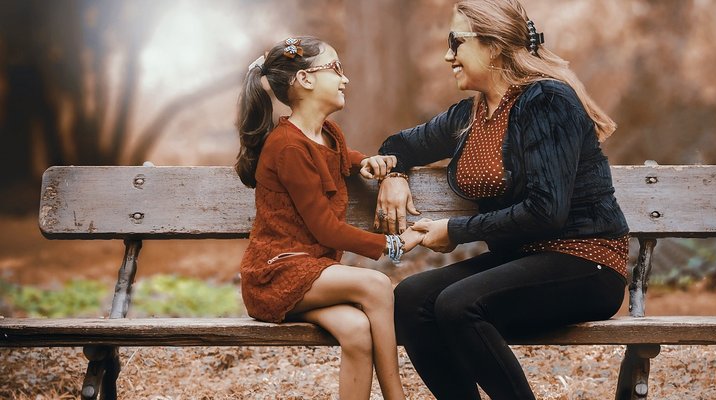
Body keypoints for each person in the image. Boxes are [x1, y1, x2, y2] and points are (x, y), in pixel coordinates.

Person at [374, 1, 630, 399]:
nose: (448, 55)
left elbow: (546, 212)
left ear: (492, 46)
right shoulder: (470, 115)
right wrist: (393, 174)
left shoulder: (547, 101)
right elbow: (400, 144)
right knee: (410, 300)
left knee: (458, 305)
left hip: (586, 261)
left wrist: (455, 231)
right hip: (522, 260)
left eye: (455, 42)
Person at [235, 36, 421, 400]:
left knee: (355, 329)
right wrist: (394, 244)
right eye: (335, 68)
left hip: (309, 272)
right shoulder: (287, 145)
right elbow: (326, 228)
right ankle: (397, 396)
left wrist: (370, 163)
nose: (344, 78)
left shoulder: (327, 136)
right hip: (275, 275)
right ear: (304, 80)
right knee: (378, 286)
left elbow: (341, 160)